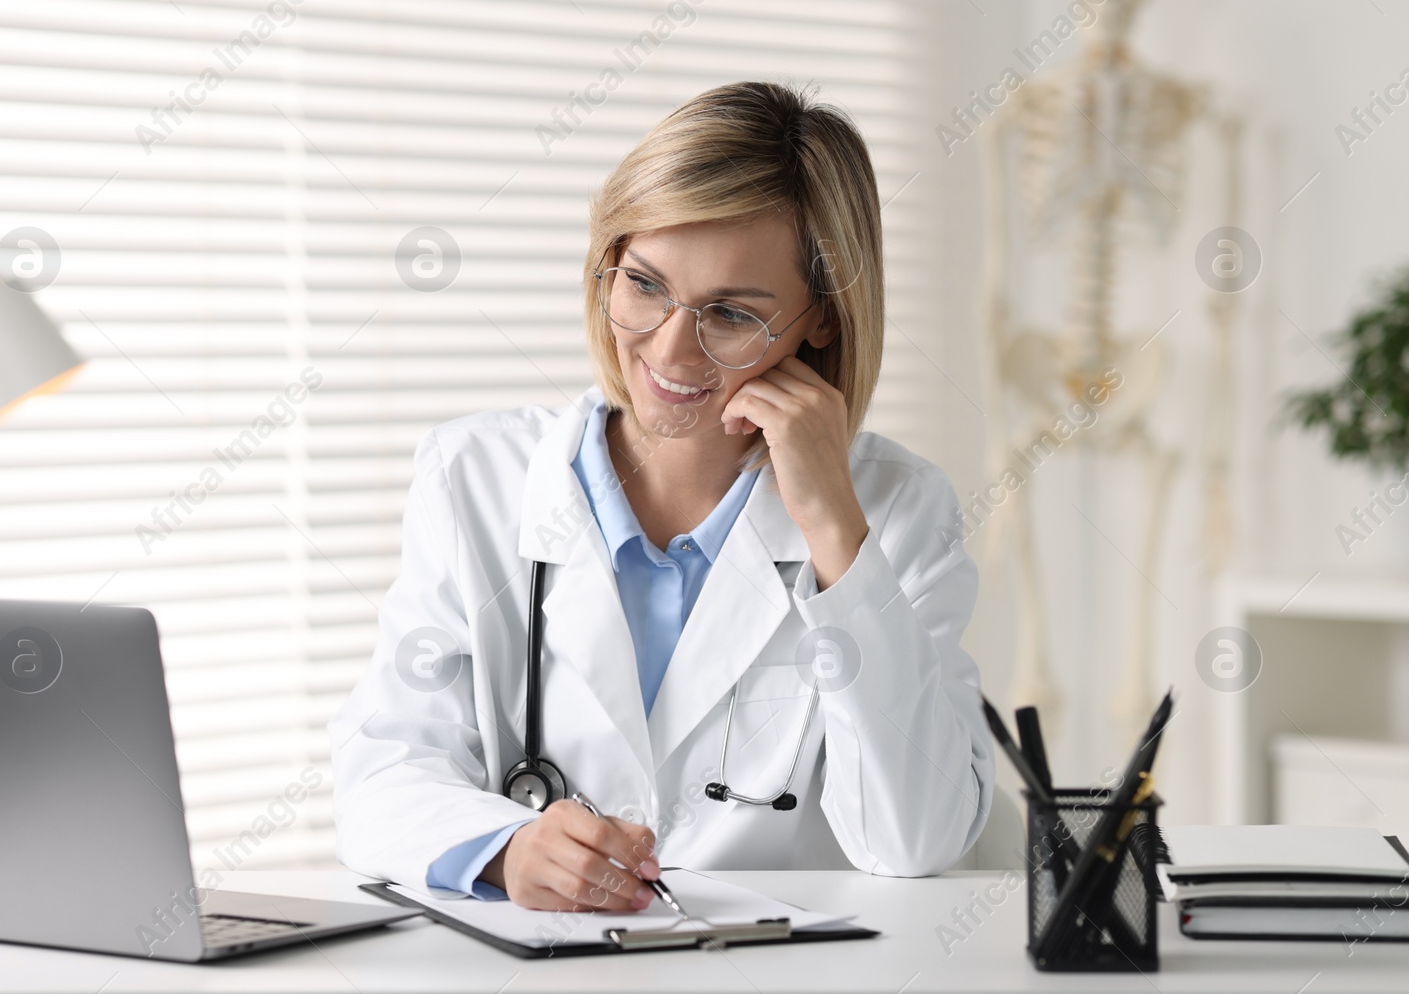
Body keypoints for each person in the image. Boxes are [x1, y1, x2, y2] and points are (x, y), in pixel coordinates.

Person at [331, 81, 994, 912]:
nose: (671, 348)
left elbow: (917, 839)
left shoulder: (899, 510)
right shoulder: (474, 478)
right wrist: (507, 848)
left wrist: (834, 531)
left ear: (821, 320)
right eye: (644, 284)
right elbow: (384, 767)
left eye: (730, 312)